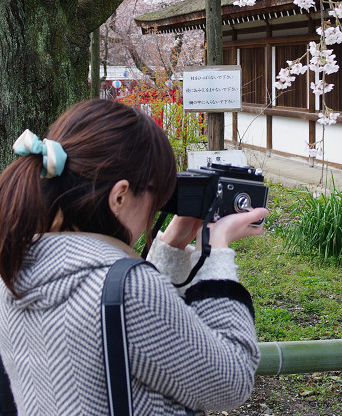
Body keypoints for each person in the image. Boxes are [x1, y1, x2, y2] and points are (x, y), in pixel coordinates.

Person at [0, 99, 267, 416]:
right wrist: (217, 252)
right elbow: (230, 381)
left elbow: (121, 335)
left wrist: (171, 244)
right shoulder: (130, 292)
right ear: (120, 196)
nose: (157, 209)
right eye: (157, 196)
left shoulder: (13, 266)